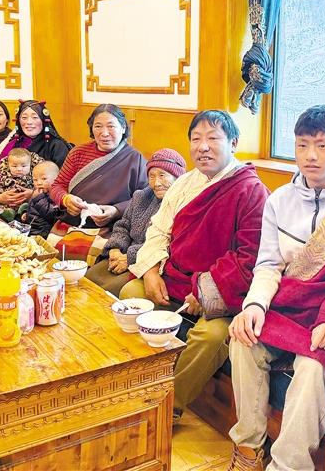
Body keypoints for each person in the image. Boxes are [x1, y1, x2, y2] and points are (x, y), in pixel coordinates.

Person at [226, 105, 325, 471]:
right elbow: (268, 264)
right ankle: (249, 448)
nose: (311, 156)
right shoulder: (279, 200)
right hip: (288, 307)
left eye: (322, 145)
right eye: (302, 145)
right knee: (242, 339)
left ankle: (286, 466)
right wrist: (254, 306)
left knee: (313, 368)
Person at [122, 110, 269, 423]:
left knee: (211, 337)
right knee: (131, 293)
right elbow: (158, 229)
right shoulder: (185, 183)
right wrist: (151, 271)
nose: (203, 147)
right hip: (174, 279)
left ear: (233, 143)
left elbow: (249, 258)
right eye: (196, 139)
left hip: (221, 294)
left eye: (213, 138)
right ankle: (137, 382)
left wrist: (204, 292)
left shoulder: (250, 190)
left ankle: (167, 407)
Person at [85, 148, 186, 295]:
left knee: (108, 292)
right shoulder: (141, 196)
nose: (156, 183)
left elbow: (169, 243)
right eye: (151, 176)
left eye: (162, 175)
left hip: (150, 264)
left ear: (177, 176)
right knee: (89, 279)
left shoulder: (183, 203)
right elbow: (123, 225)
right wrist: (115, 249)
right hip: (122, 256)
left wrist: (130, 258)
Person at [49, 104, 147, 239]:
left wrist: (116, 210)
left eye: (111, 126)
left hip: (115, 228)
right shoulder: (78, 153)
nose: (104, 133)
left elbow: (145, 198)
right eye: (98, 126)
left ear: (123, 128)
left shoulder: (135, 159)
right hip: (72, 223)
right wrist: (66, 199)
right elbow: (57, 186)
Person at [0, 100, 71, 207]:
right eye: (24, 117)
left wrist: (34, 194)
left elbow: (64, 182)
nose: (29, 122)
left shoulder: (57, 146)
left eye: (35, 117)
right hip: (8, 207)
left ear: (43, 120)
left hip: (46, 207)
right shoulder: (12, 144)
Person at [26, 161, 63, 238]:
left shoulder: (56, 194)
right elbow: (32, 205)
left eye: (44, 178)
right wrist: (25, 212)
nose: (39, 183)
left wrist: (39, 199)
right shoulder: (39, 192)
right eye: (35, 180)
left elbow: (52, 214)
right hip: (31, 226)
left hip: (43, 231)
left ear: (57, 178)